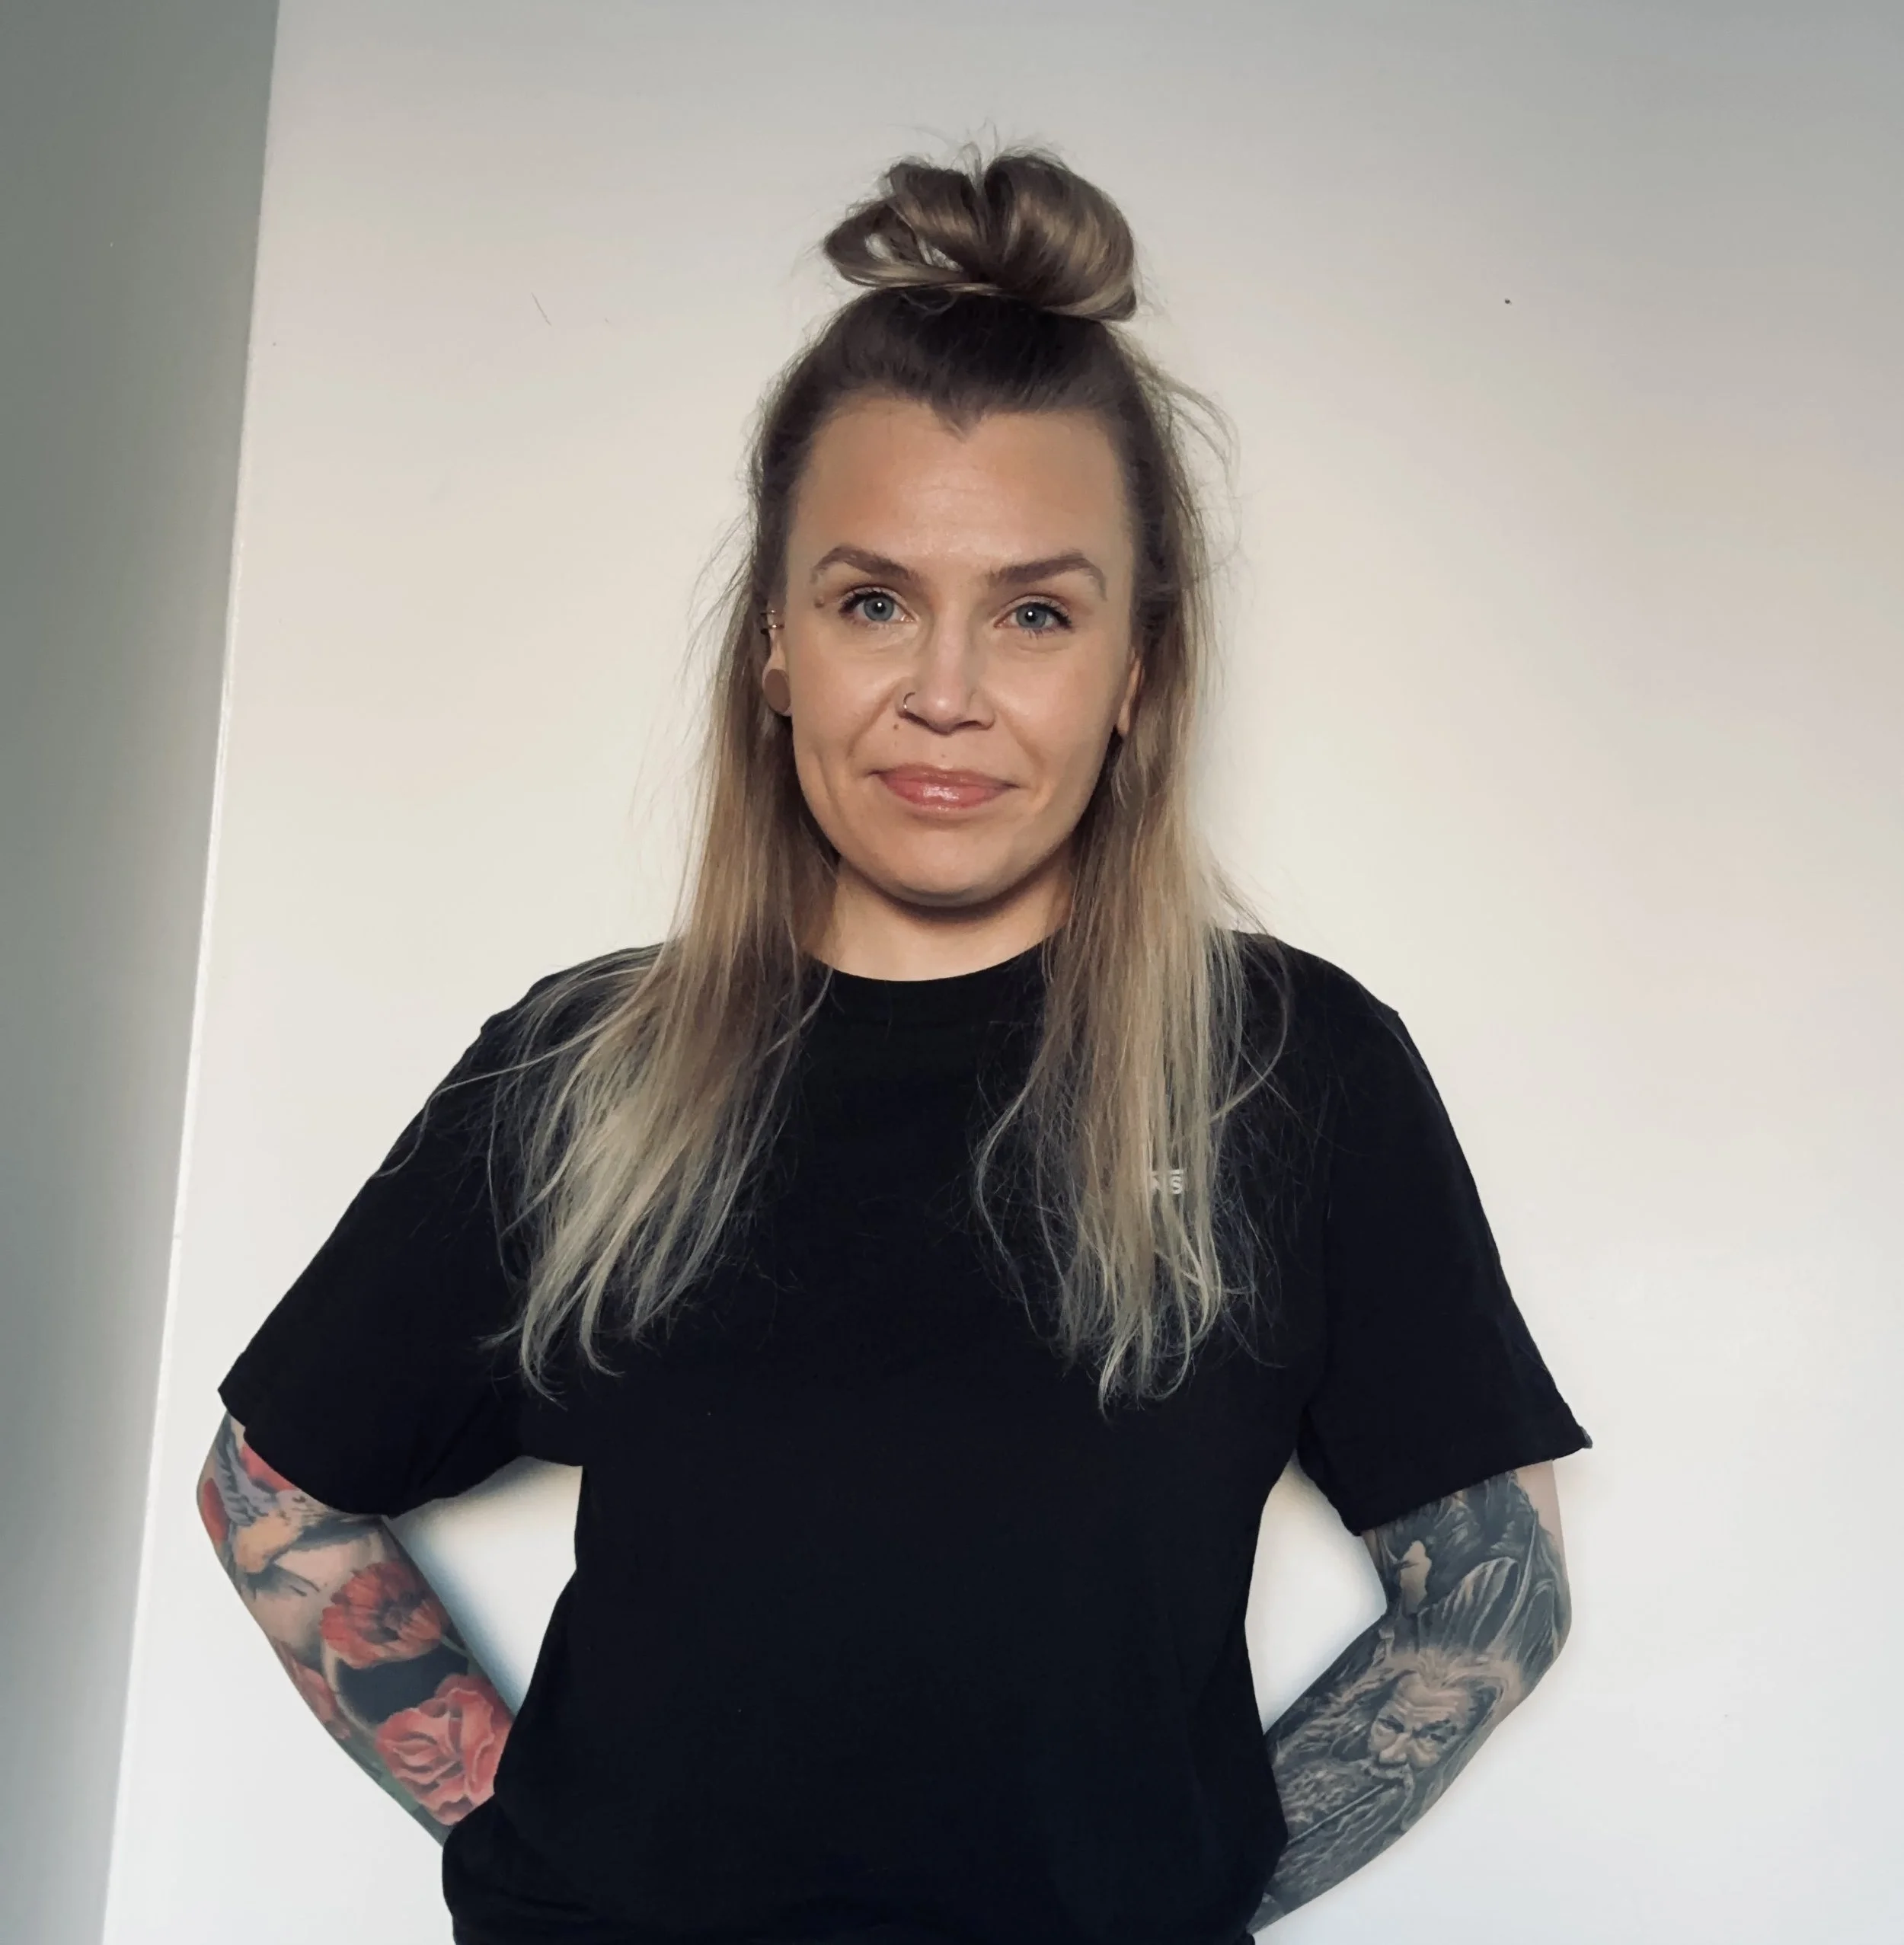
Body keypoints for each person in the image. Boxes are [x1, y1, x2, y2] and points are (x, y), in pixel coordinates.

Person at [198, 142, 1592, 1945]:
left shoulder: (1289, 1065)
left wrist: (1181, 1890)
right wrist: (533, 1831)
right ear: (773, 643)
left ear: (1137, 669)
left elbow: (1487, 1597)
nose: (945, 689)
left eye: (1033, 608)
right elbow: (273, 1487)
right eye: (870, 600)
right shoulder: (579, 1066)